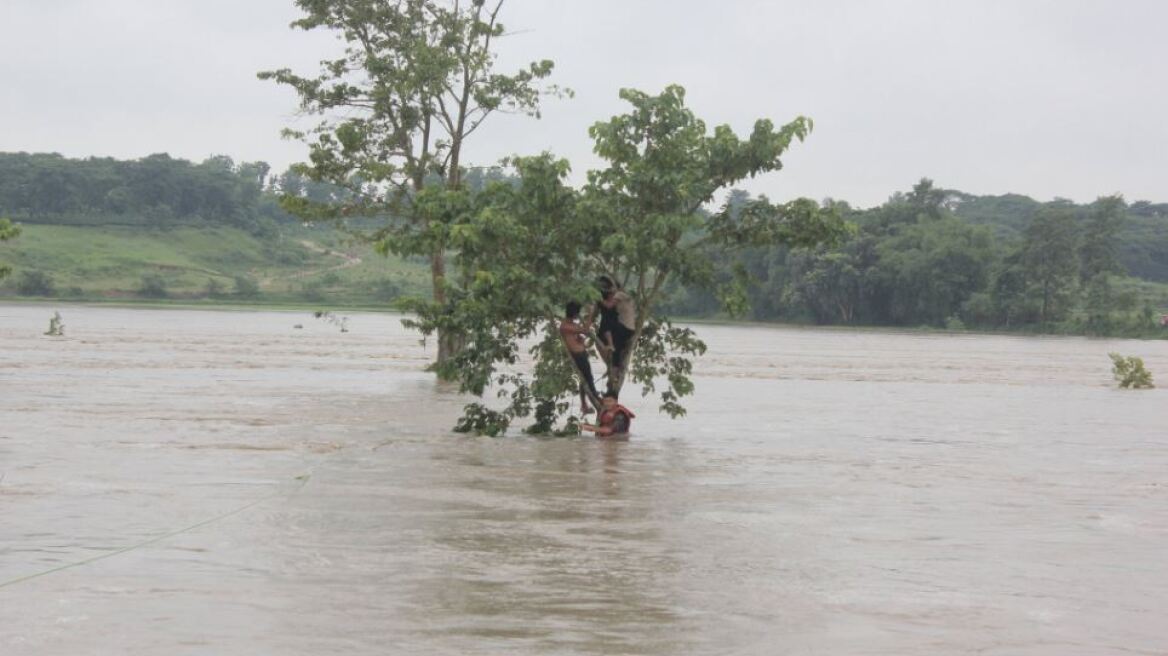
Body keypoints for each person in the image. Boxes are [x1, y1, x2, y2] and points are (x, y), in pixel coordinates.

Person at [593, 276, 636, 392]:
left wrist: (596, 297)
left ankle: (611, 350)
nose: (610, 291)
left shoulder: (619, 294)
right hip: (628, 329)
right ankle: (613, 370)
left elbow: (608, 306)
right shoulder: (625, 295)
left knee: (607, 322)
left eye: (611, 288)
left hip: (625, 328)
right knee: (616, 351)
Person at [560, 301, 598, 413]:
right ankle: (596, 398)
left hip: (581, 353)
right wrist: (591, 313)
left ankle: (584, 405)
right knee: (588, 378)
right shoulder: (565, 326)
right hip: (577, 355)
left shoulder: (571, 324)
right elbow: (586, 330)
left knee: (584, 379)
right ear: (575, 313)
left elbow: (582, 334)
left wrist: (579, 339)